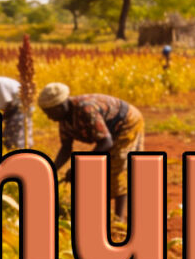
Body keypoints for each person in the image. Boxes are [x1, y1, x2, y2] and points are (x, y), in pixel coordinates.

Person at [37, 82, 145, 224]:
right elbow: (66, 148)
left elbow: (106, 142)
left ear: (61, 106)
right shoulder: (64, 120)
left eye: (50, 113)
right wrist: (51, 170)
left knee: (116, 167)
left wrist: (79, 166)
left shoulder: (85, 110)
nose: (49, 118)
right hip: (109, 131)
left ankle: (119, 219)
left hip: (126, 123)